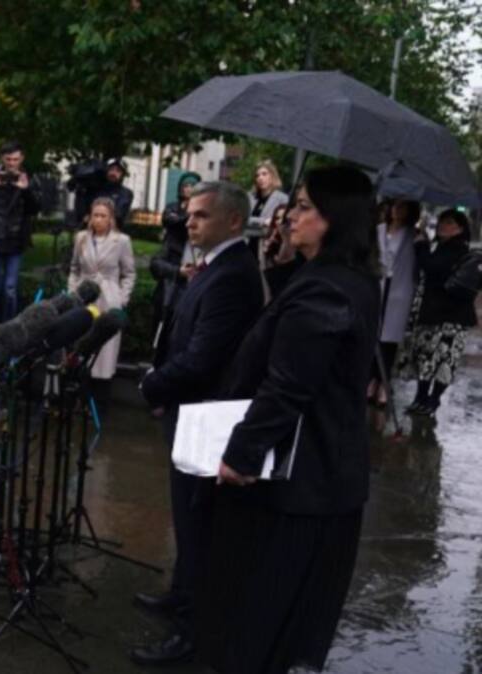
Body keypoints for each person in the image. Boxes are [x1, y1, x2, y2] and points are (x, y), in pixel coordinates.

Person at [200, 166, 381, 674]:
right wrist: (283, 264)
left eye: (302, 206)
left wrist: (240, 454)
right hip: (324, 478)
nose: (290, 214)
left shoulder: (326, 290)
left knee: (260, 619)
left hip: (299, 483)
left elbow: (289, 386)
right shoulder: (341, 279)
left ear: (333, 219)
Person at [131, 181, 263, 666]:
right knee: (187, 520)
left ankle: (193, 632)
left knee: (199, 527)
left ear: (232, 221)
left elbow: (204, 356)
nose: (190, 222)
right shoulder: (212, 267)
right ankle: (180, 595)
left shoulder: (232, 274)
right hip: (187, 411)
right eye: (189, 214)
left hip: (206, 416)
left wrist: (154, 385)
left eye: (202, 215)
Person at [396, 209, 477, 416]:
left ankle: (433, 400)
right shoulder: (441, 247)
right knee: (426, 358)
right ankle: (421, 398)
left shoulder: (457, 249)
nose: (442, 225)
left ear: (460, 228)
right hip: (434, 313)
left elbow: (432, 268)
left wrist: (422, 245)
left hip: (452, 317)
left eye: (449, 223)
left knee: (444, 362)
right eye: (441, 221)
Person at [66, 197, 135, 395]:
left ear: (110, 218)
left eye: (103, 216)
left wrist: (122, 298)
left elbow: (129, 273)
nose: (98, 219)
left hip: (109, 295)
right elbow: (74, 268)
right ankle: (78, 386)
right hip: (84, 295)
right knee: (81, 338)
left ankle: (100, 393)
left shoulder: (121, 241)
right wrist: (73, 292)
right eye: (95, 215)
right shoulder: (81, 238)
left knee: (105, 347)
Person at [0, 141, 41, 325]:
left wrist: (25, 190)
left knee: (10, 288)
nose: (12, 163)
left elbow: (35, 209)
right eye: (8, 159)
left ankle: (8, 326)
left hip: (16, 240)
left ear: (22, 159)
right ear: (2, 159)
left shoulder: (29, 179)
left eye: (15, 159)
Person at [368, 199, 420, 407]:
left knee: (389, 340)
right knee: (372, 335)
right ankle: (371, 380)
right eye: (395, 206)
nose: (397, 211)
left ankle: (383, 383)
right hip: (377, 287)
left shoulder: (413, 235)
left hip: (398, 290)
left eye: (403, 207)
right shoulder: (378, 230)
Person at [149, 171, 201, 350]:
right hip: (170, 290)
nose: (189, 189)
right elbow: (155, 265)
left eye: (193, 186)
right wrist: (177, 272)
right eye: (186, 185)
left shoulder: (204, 245)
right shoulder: (172, 210)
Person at [70, 157, 135, 229]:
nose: (113, 173)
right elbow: (81, 213)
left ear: (122, 175)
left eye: (118, 171)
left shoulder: (125, 193)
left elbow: (118, 214)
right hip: (88, 231)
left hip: (112, 233)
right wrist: (80, 190)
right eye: (111, 169)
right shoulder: (94, 189)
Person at [247, 160, 289, 265]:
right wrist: (264, 221)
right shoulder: (250, 197)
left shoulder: (282, 199)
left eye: (264, 174)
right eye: (257, 175)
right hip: (247, 245)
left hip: (266, 249)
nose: (260, 178)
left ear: (272, 176)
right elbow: (243, 218)